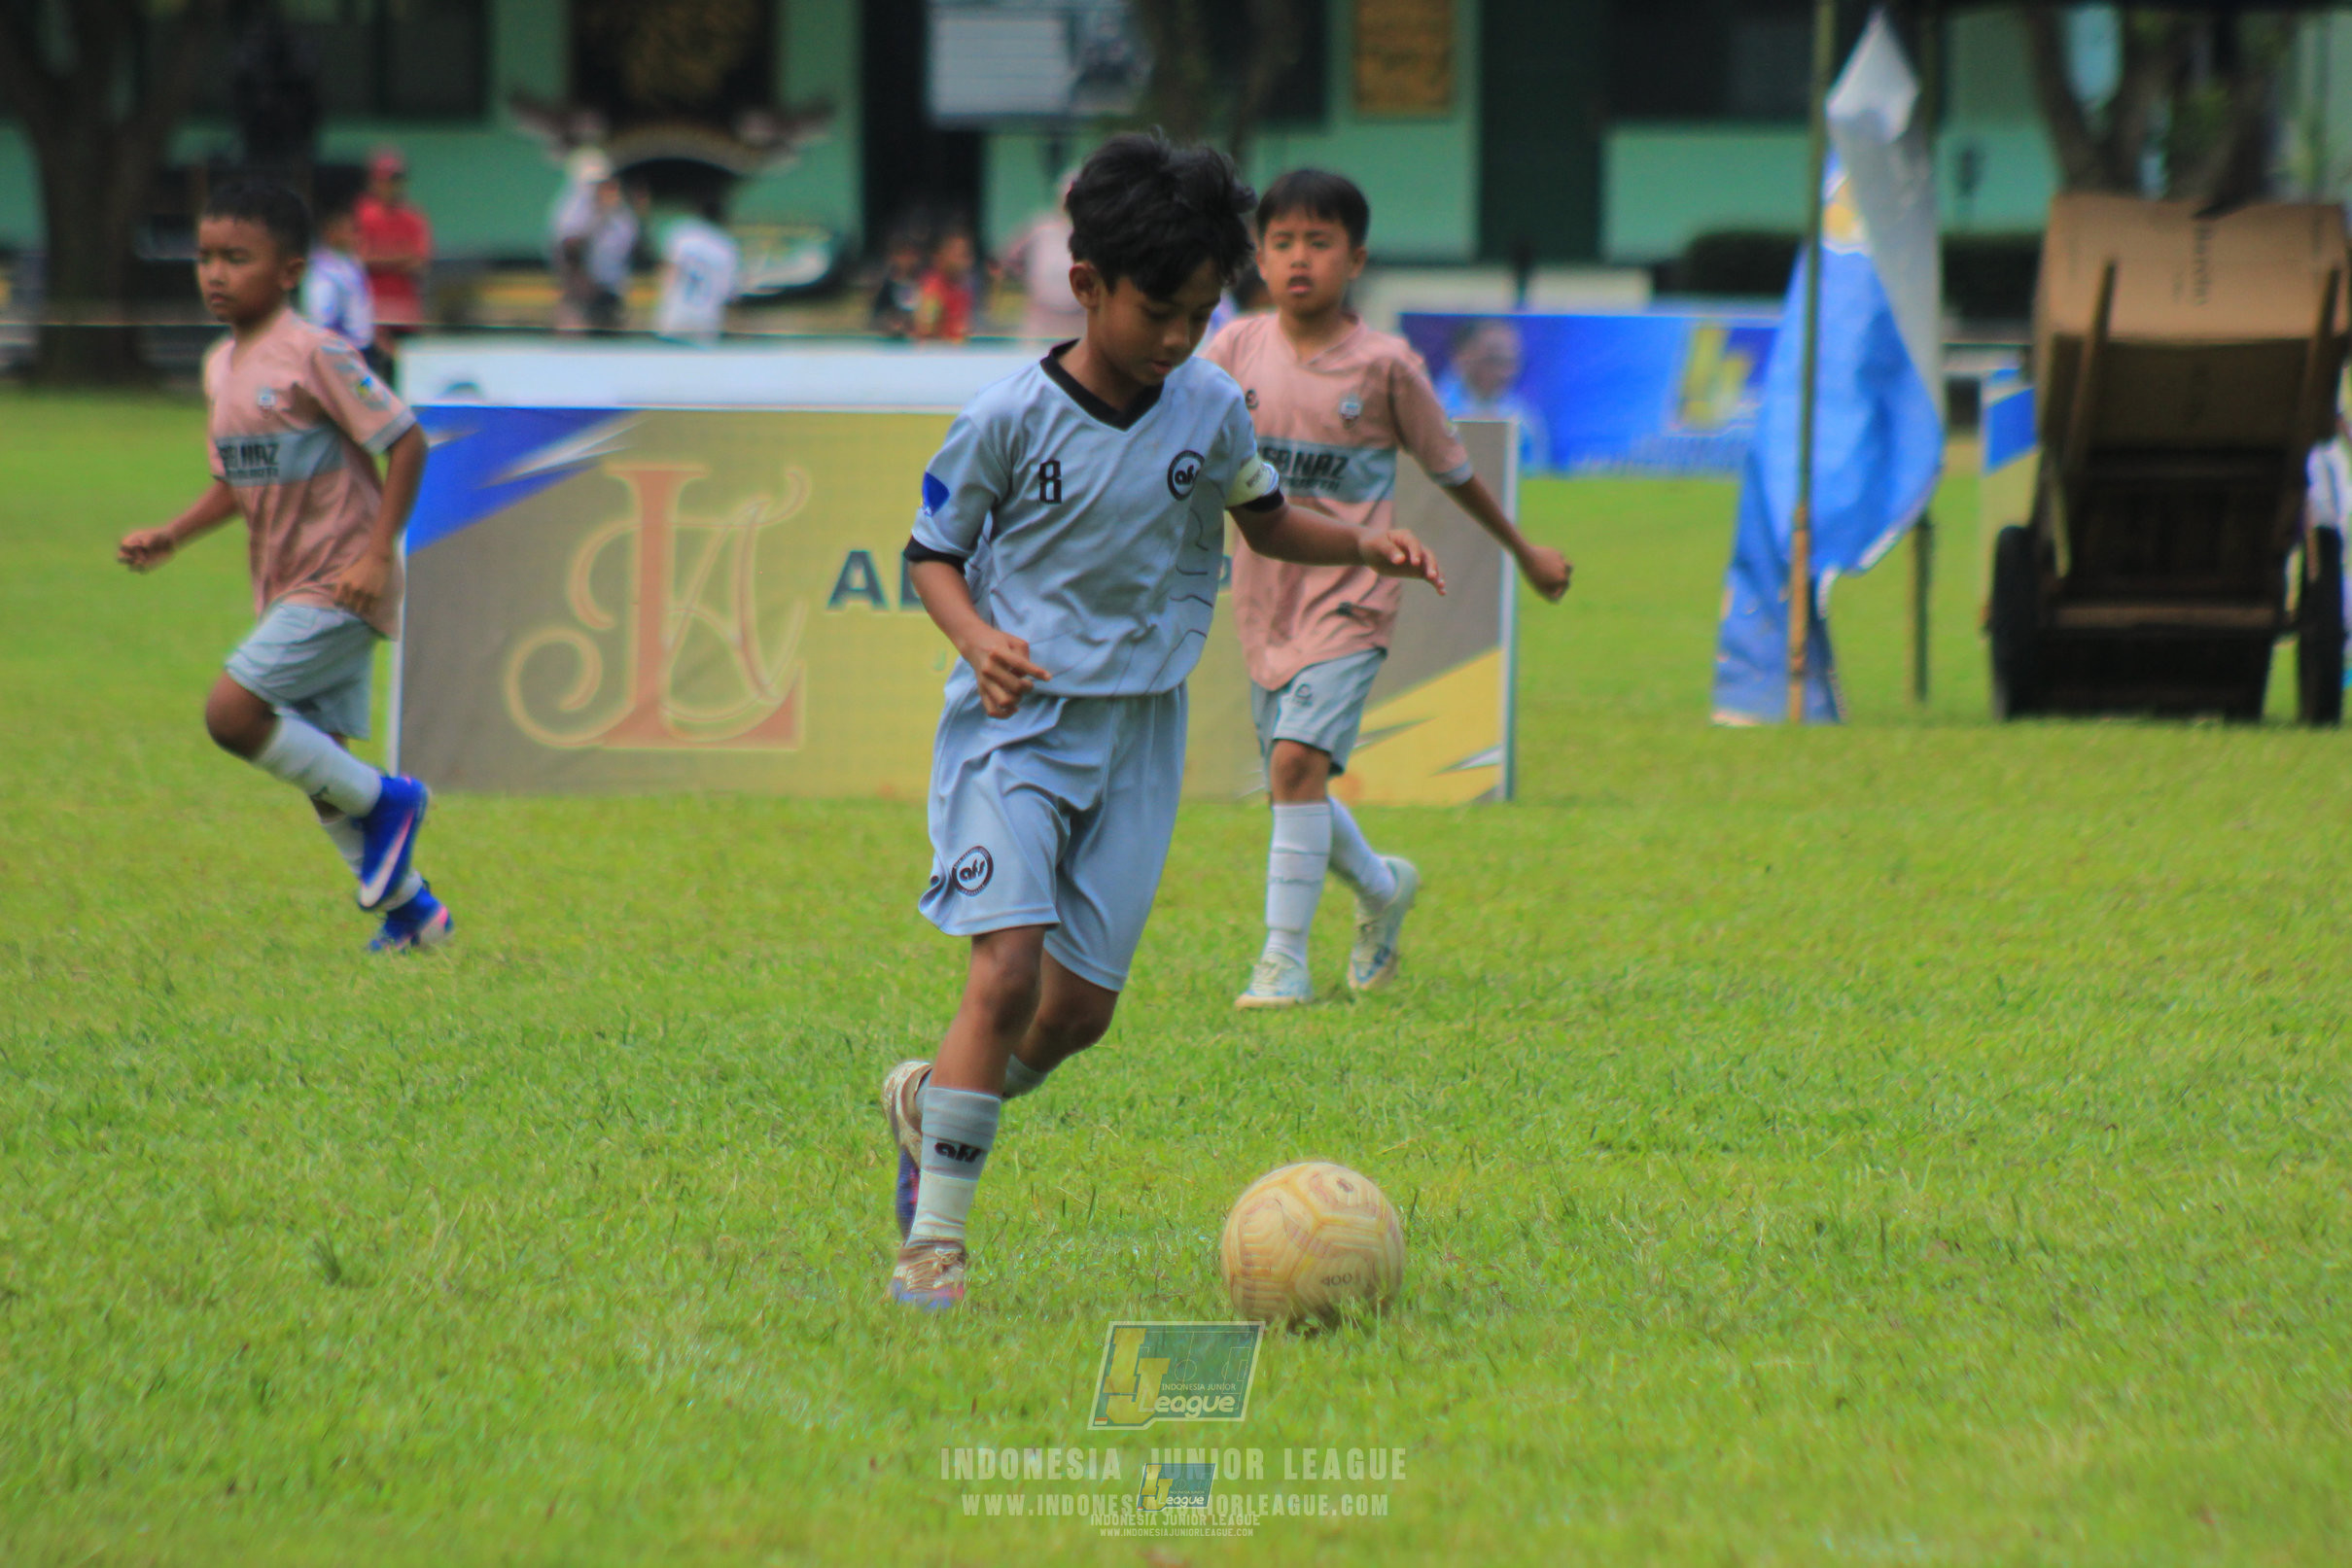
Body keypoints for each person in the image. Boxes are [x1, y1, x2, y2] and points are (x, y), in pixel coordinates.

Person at [875, 134, 1445, 1310]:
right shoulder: (1007, 417)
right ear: (1086, 287)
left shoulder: (1207, 406)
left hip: (1140, 735)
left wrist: (1359, 537)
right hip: (1017, 730)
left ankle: (930, 1106)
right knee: (1006, 968)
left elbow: (1266, 520)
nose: (1181, 338)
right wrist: (976, 638)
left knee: (1075, 1014)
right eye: (1157, 312)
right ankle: (935, 1243)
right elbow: (930, 552)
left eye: (1199, 312)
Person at [1205, 169, 1571, 1008]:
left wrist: (1523, 551)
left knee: (1294, 763)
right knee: (1292, 780)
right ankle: (1380, 888)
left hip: (1352, 598)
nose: (1299, 259)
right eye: (1282, 242)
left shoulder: (1386, 367)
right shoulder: (1231, 353)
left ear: (1356, 258)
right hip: (1264, 598)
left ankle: (1282, 960)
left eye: (1319, 242)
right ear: (1257, 257)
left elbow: (1452, 472)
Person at [115, 182, 449, 953]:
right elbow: (239, 479)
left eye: (237, 257)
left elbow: (405, 441)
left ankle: (392, 802)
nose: (215, 274)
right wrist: (174, 533)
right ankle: (415, 915)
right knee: (317, 771)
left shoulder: (317, 352)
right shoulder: (219, 366)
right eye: (204, 257)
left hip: (342, 577)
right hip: (285, 583)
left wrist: (375, 555)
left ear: (290, 268)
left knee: (233, 713)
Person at [1436, 317, 1551, 472]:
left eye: (1511, 362)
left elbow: (1536, 475)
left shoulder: (1523, 417)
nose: (1505, 373)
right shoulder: (1433, 408)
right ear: (1462, 357)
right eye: (1494, 360)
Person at [353, 149, 432, 356]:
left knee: (402, 372)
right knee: (364, 380)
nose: (391, 186)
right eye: (385, 180)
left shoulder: (412, 217)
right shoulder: (361, 214)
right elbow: (358, 258)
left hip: (405, 314)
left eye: (396, 180)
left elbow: (419, 262)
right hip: (368, 314)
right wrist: (400, 256)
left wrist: (379, 257)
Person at [998, 177, 1084, 340]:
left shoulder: (1093, 232)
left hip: (1079, 320)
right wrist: (1026, 279)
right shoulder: (1040, 227)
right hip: (1041, 318)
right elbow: (1008, 257)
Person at [653, 192, 741, 343]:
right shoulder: (726, 246)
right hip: (705, 324)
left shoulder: (682, 233)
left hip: (674, 319)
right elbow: (729, 293)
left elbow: (669, 274)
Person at [300, 199, 372, 353]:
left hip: (359, 346)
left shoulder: (352, 263)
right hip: (337, 348)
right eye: (351, 230)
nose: (357, 236)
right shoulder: (322, 269)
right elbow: (321, 315)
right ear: (332, 233)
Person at [911, 229, 976, 343]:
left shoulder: (963, 288)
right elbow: (927, 331)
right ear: (942, 257)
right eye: (959, 256)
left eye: (967, 255)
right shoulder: (932, 289)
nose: (965, 262)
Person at [869, 229, 927, 337]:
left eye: (911, 254)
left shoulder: (924, 284)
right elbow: (877, 316)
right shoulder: (887, 286)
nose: (906, 260)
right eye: (902, 255)